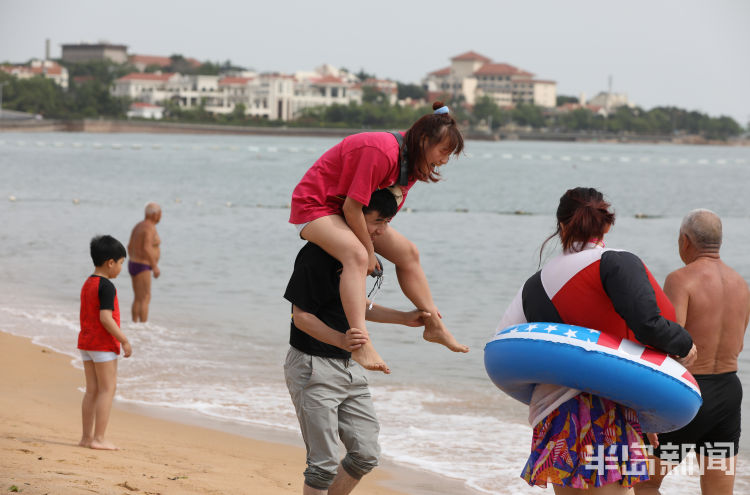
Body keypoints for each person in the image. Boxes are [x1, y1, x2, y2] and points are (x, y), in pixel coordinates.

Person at [497, 187, 697, 493]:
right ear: (607, 224)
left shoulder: (537, 283)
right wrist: (685, 344)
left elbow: (509, 342)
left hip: (554, 409)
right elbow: (648, 325)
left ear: (562, 226)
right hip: (608, 408)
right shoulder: (616, 262)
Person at [289, 101, 469, 374]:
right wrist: (370, 252)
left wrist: (373, 241)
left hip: (347, 210)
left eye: (449, 155)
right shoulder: (381, 152)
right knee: (357, 255)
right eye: (443, 151)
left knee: (408, 253)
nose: (444, 160)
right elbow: (352, 207)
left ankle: (435, 325)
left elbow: (383, 211)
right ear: (423, 140)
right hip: (315, 206)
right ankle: (361, 341)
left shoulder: (414, 165)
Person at [284, 189, 432, 494]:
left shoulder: (356, 257)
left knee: (365, 455)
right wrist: (342, 338)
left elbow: (357, 306)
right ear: (355, 216)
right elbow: (301, 317)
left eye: (387, 223)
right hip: (312, 367)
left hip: (350, 366)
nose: (381, 230)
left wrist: (405, 317)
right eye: (378, 221)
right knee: (322, 466)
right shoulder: (316, 255)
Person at [636, 209, 750, 495]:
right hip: (728, 394)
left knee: (646, 482)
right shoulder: (742, 285)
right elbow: (738, 346)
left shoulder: (681, 279)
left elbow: (671, 343)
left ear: (685, 241)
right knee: (718, 490)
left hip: (688, 393)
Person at [78, 235, 132, 450]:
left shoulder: (88, 283)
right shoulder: (107, 286)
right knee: (107, 389)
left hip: (86, 343)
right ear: (110, 262)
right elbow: (105, 318)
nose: (120, 268)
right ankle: (99, 439)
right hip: (102, 345)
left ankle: (85, 438)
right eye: (120, 263)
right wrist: (124, 340)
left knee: (92, 390)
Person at [127, 202, 162, 322]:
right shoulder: (150, 227)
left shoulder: (138, 226)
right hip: (143, 265)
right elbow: (147, 247)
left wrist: (133, 259)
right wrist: (154, 266)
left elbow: (129, 246)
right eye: (160, 214)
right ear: (154, 215)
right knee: (145, 297)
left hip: (133, 263)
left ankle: (135, 325)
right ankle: (143, 327)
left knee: (138, 297)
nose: (161, 217)